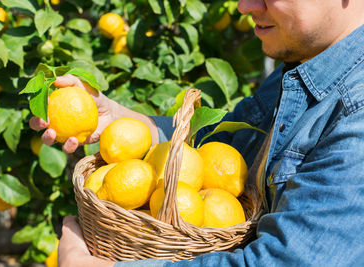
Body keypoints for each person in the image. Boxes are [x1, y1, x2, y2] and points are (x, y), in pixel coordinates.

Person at [31, 0, 364, 266]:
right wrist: (122, 120)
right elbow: (216, 151)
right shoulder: (302, 67)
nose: (244, 7)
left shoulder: (356, 115)